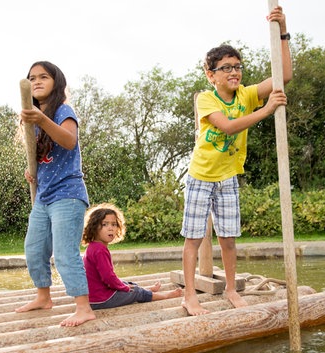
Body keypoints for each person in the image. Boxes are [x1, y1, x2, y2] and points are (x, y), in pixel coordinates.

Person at [180, 6, 293, 315]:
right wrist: (266, 110)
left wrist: (282, 30)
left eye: (238, 66)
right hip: (201, 175)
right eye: (226, 67)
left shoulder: (245, 95)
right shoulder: (206, 99)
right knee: (193, 238)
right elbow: (228, 126)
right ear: (211, 74)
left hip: (228, 176)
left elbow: (283, 75)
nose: (234, 72)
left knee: (228, 239)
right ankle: (189, 295)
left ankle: (231, 288)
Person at [15, 61, 95, 327]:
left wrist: (42, 119)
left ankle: (83, 307)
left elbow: (68, 141)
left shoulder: (63, 111)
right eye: (32, 78)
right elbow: (42, 157)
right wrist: (32, 172)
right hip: (44, 196)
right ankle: (43, 296)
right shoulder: (33, 120)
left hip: (68, 193)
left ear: (56, 81)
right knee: (34, 249)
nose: (36, 81)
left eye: (43, 77)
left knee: (64, 252)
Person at [83, 203, 183, 309]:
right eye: (105, 224)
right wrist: (124, 288)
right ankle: (164, 295)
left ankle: (147, 290)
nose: (110, 228)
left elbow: (108, 278)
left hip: (95, 297)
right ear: (94, 227)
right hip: (101, 299)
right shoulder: (100, 250)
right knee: (135, 292)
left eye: (114, 224)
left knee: (125, 283)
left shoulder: (93, 246)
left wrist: (123, 285)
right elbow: (108, 277)